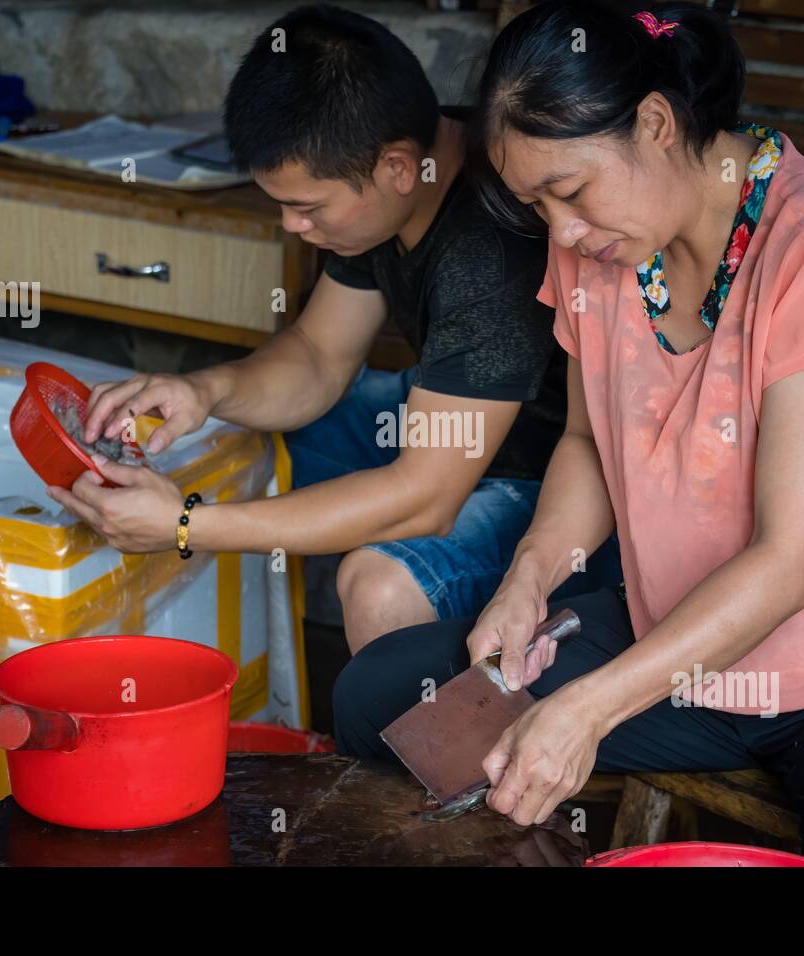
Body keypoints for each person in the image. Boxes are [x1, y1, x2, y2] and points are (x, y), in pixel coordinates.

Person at [332, 1, 804, 866]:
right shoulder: (602, 245)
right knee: (377, 699)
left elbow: (791, 562)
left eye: (569, 191)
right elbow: (585, 444)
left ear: (654, 122)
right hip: (673, 644)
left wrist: (589, 706)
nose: (561, 232)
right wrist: (528, 582)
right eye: (538, 205)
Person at [46, 4, 618, 652]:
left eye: (306, 207)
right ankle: (248, 684)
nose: (293, 226)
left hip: (543, 484)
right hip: (442, 424)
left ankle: (397, 746)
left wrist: (186, 525)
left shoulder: (485, 254)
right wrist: (204, 392)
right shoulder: (389, 176)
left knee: (379, 586)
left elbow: (424, 497)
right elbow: (319, 354)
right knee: (228, 436)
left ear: (397, 168)